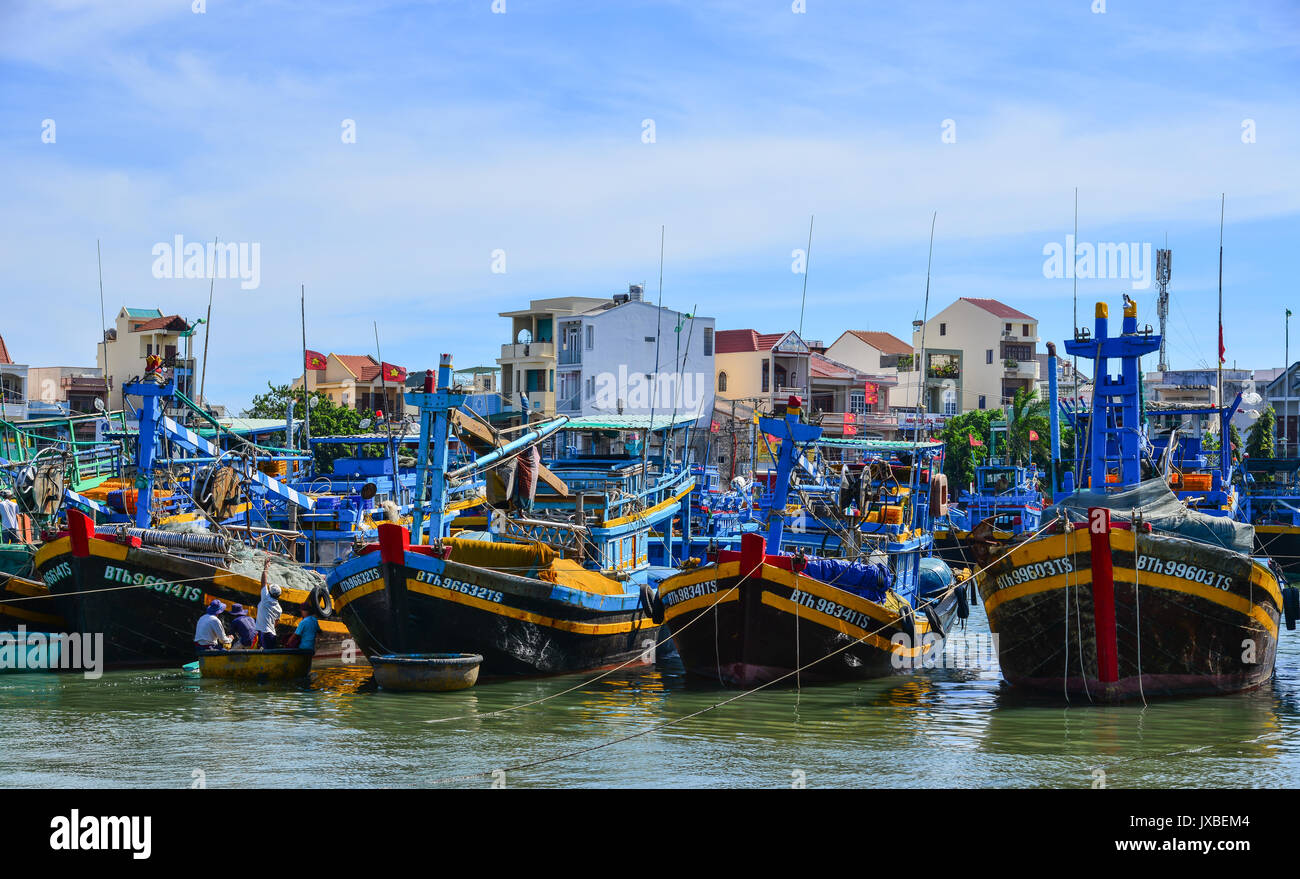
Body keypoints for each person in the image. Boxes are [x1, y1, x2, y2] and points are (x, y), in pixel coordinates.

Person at [255, 559, 283, 649]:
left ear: (269, 592)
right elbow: (276, 622)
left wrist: (266, 567)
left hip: (264, 634)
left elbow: (264, 581)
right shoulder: (279, 608)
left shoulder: (265, 598)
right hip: (271, 634)